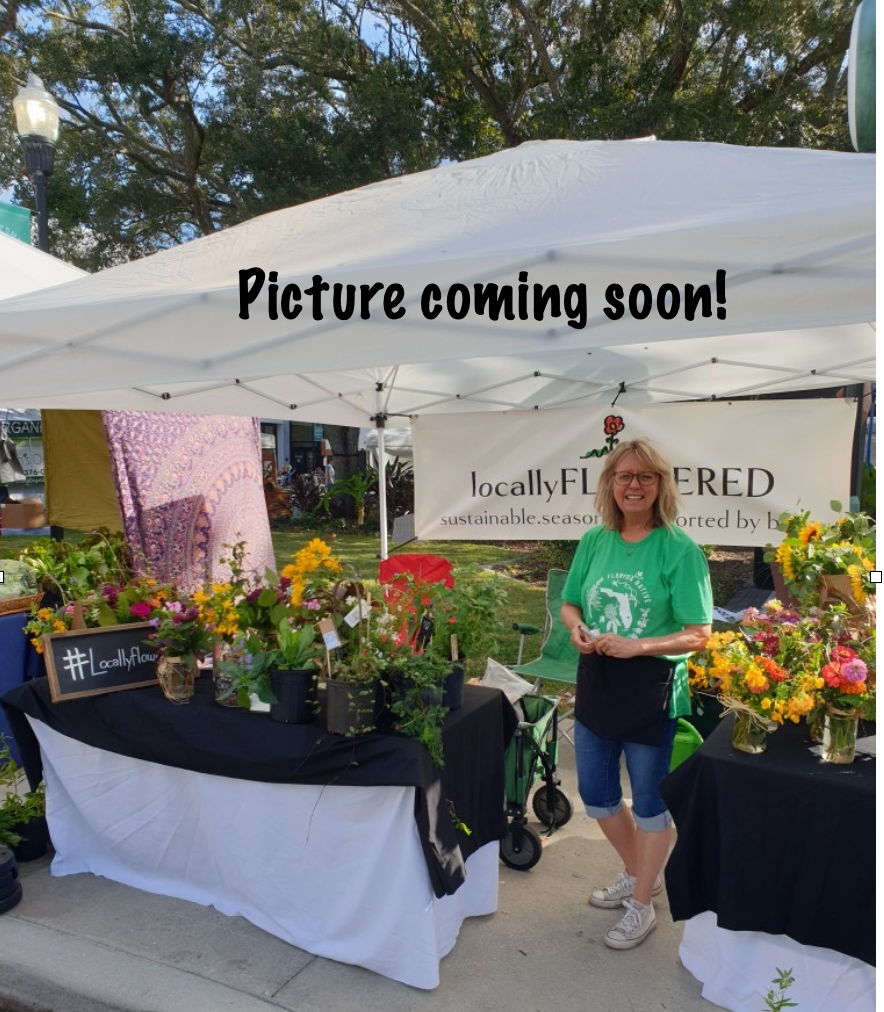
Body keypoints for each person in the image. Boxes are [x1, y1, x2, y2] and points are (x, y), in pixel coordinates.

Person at [560, 437, 711, 951]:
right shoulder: (594, 541)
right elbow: (570, 605)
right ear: (610, 484)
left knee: (649, 805)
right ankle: (638, 870)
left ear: (661, 486)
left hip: (651, 689)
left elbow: (699, 632)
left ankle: (642, 903)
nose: (634, 485)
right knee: (598, 798)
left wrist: (639, 644)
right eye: (624, 476)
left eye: (645, 477)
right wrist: (577, 629)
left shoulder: (680, 550)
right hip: (597, 682)